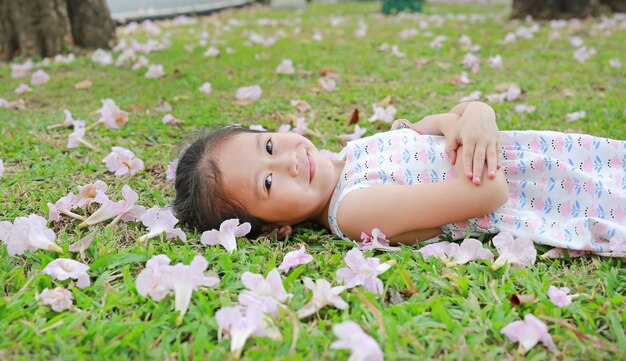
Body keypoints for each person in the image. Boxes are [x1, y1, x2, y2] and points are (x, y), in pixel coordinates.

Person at [173, 101, 625, 257]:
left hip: (549, 155)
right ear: (275, 228)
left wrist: (479, 115)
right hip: (546, 192)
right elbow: (489, 192)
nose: (287, 163)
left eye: (269, 146)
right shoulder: (353, 210)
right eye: (267, 185)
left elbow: (444, 121)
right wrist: (468, 127)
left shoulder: (355, 153)